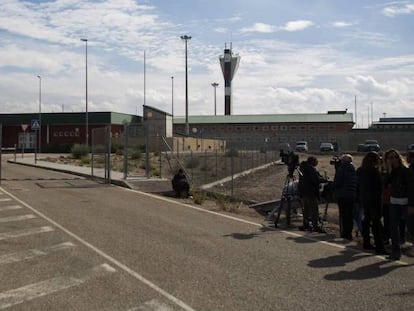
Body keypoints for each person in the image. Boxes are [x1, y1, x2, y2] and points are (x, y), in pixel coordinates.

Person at [356, 152, 387, 254]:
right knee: (376, 222)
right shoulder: (374, 171)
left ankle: (366, 242)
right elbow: (379, 186)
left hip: (365, 198)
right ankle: (379, 246)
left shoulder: (361, 170)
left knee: (367, 220)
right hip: (374, 199)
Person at [384, 149, 410, 260]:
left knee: (410, 226)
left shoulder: (404, 170)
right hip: (394, 201)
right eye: (390, 157)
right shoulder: (389, 171)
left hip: (405, 201)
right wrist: (388, 171)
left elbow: (408, 186)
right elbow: (385, 185)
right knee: (393, 227)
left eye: (395, 157)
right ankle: (396, 251)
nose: (393, 159)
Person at [298, 156, 326, 233]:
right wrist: (323, 179)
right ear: (313, 161)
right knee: (314, 210)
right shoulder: (311, 169)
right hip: (311, 192)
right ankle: (315, 226)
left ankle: (305, 224)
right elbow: (315, 180)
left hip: (304, 192)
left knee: (306, 209)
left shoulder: (303, 168)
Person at [334, 154, 357, 241]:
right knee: (349, 214)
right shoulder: (353, 169)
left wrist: (334, 186)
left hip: (342, 194)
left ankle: (345, 232)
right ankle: (349, 232)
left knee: (344, 214)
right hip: (351, 194)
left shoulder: (342, 169)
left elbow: (338, 182)